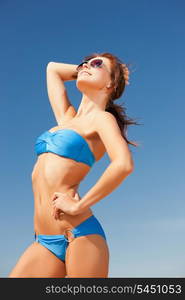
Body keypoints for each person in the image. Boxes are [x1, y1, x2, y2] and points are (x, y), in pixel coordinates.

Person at [9, 52, 139, 278]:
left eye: (96, 64)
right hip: (44, 240)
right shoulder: (66, 118)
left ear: (110, 83)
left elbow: (123, 164)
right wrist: (88, 68)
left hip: (78, 233)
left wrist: (80, 205)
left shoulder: (102, 119)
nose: (86, 65)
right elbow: (52, 69)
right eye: (84, 63)